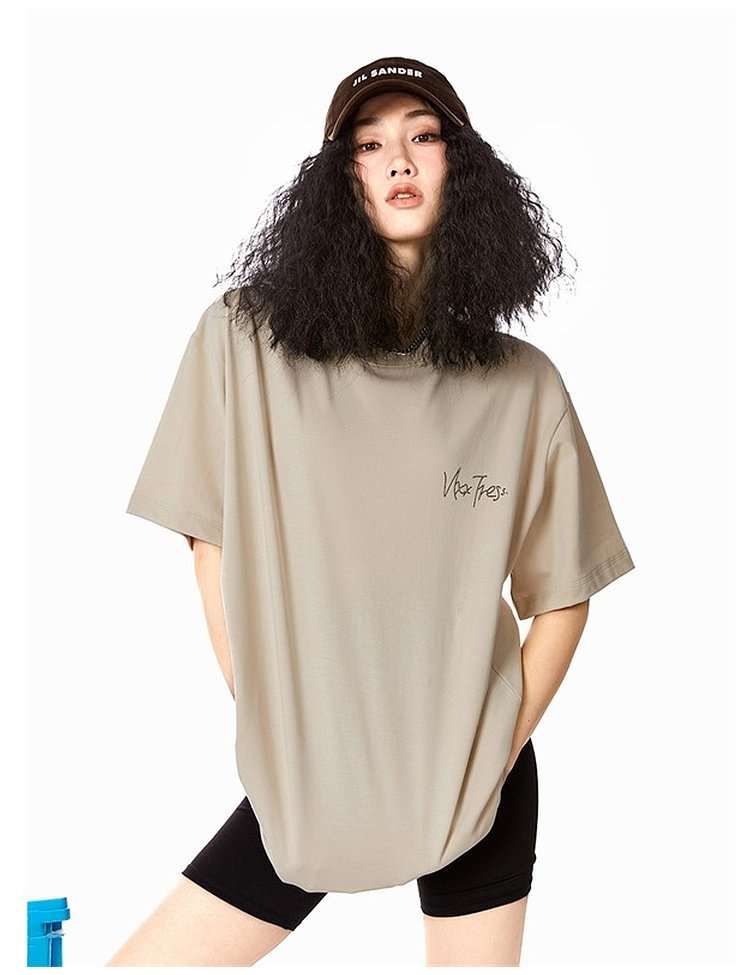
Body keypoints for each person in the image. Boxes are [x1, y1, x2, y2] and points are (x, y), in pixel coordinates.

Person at [107, 56, 635, 967]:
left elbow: (564, 593)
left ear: (463, 169)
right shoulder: (244, 338)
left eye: (424, 137)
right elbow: (209, 538)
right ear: (337, 179)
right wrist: (273, 720)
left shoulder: (523, 384)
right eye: (369, 144)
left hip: (475, 782)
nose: (399, 160)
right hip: (309, 770)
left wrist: (493, 751)